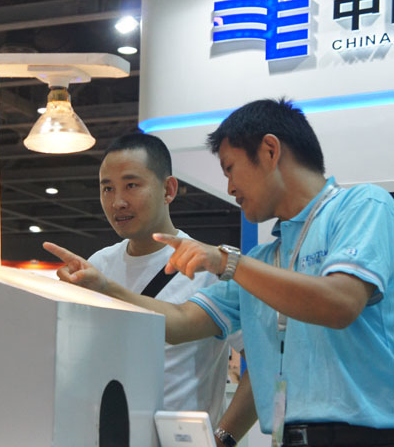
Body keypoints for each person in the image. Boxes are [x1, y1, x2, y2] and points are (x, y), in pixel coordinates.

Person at [45, 99, 394, 447]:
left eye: (230, 169)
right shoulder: (265, 258)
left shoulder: (361, 205)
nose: (229, 188)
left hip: (367, 435)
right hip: (289, 436)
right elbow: (182, 321)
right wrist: (105, 287)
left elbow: (341, 302)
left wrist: (229, 263)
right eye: (107, 188)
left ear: (270, 151)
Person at [85, 133, 244, 426]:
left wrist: (222, 438)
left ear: (168, 189)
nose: (117, 202)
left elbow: (261, 363)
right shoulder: (98, 266)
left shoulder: (208, 269)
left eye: (131, 185)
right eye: (107, 188)